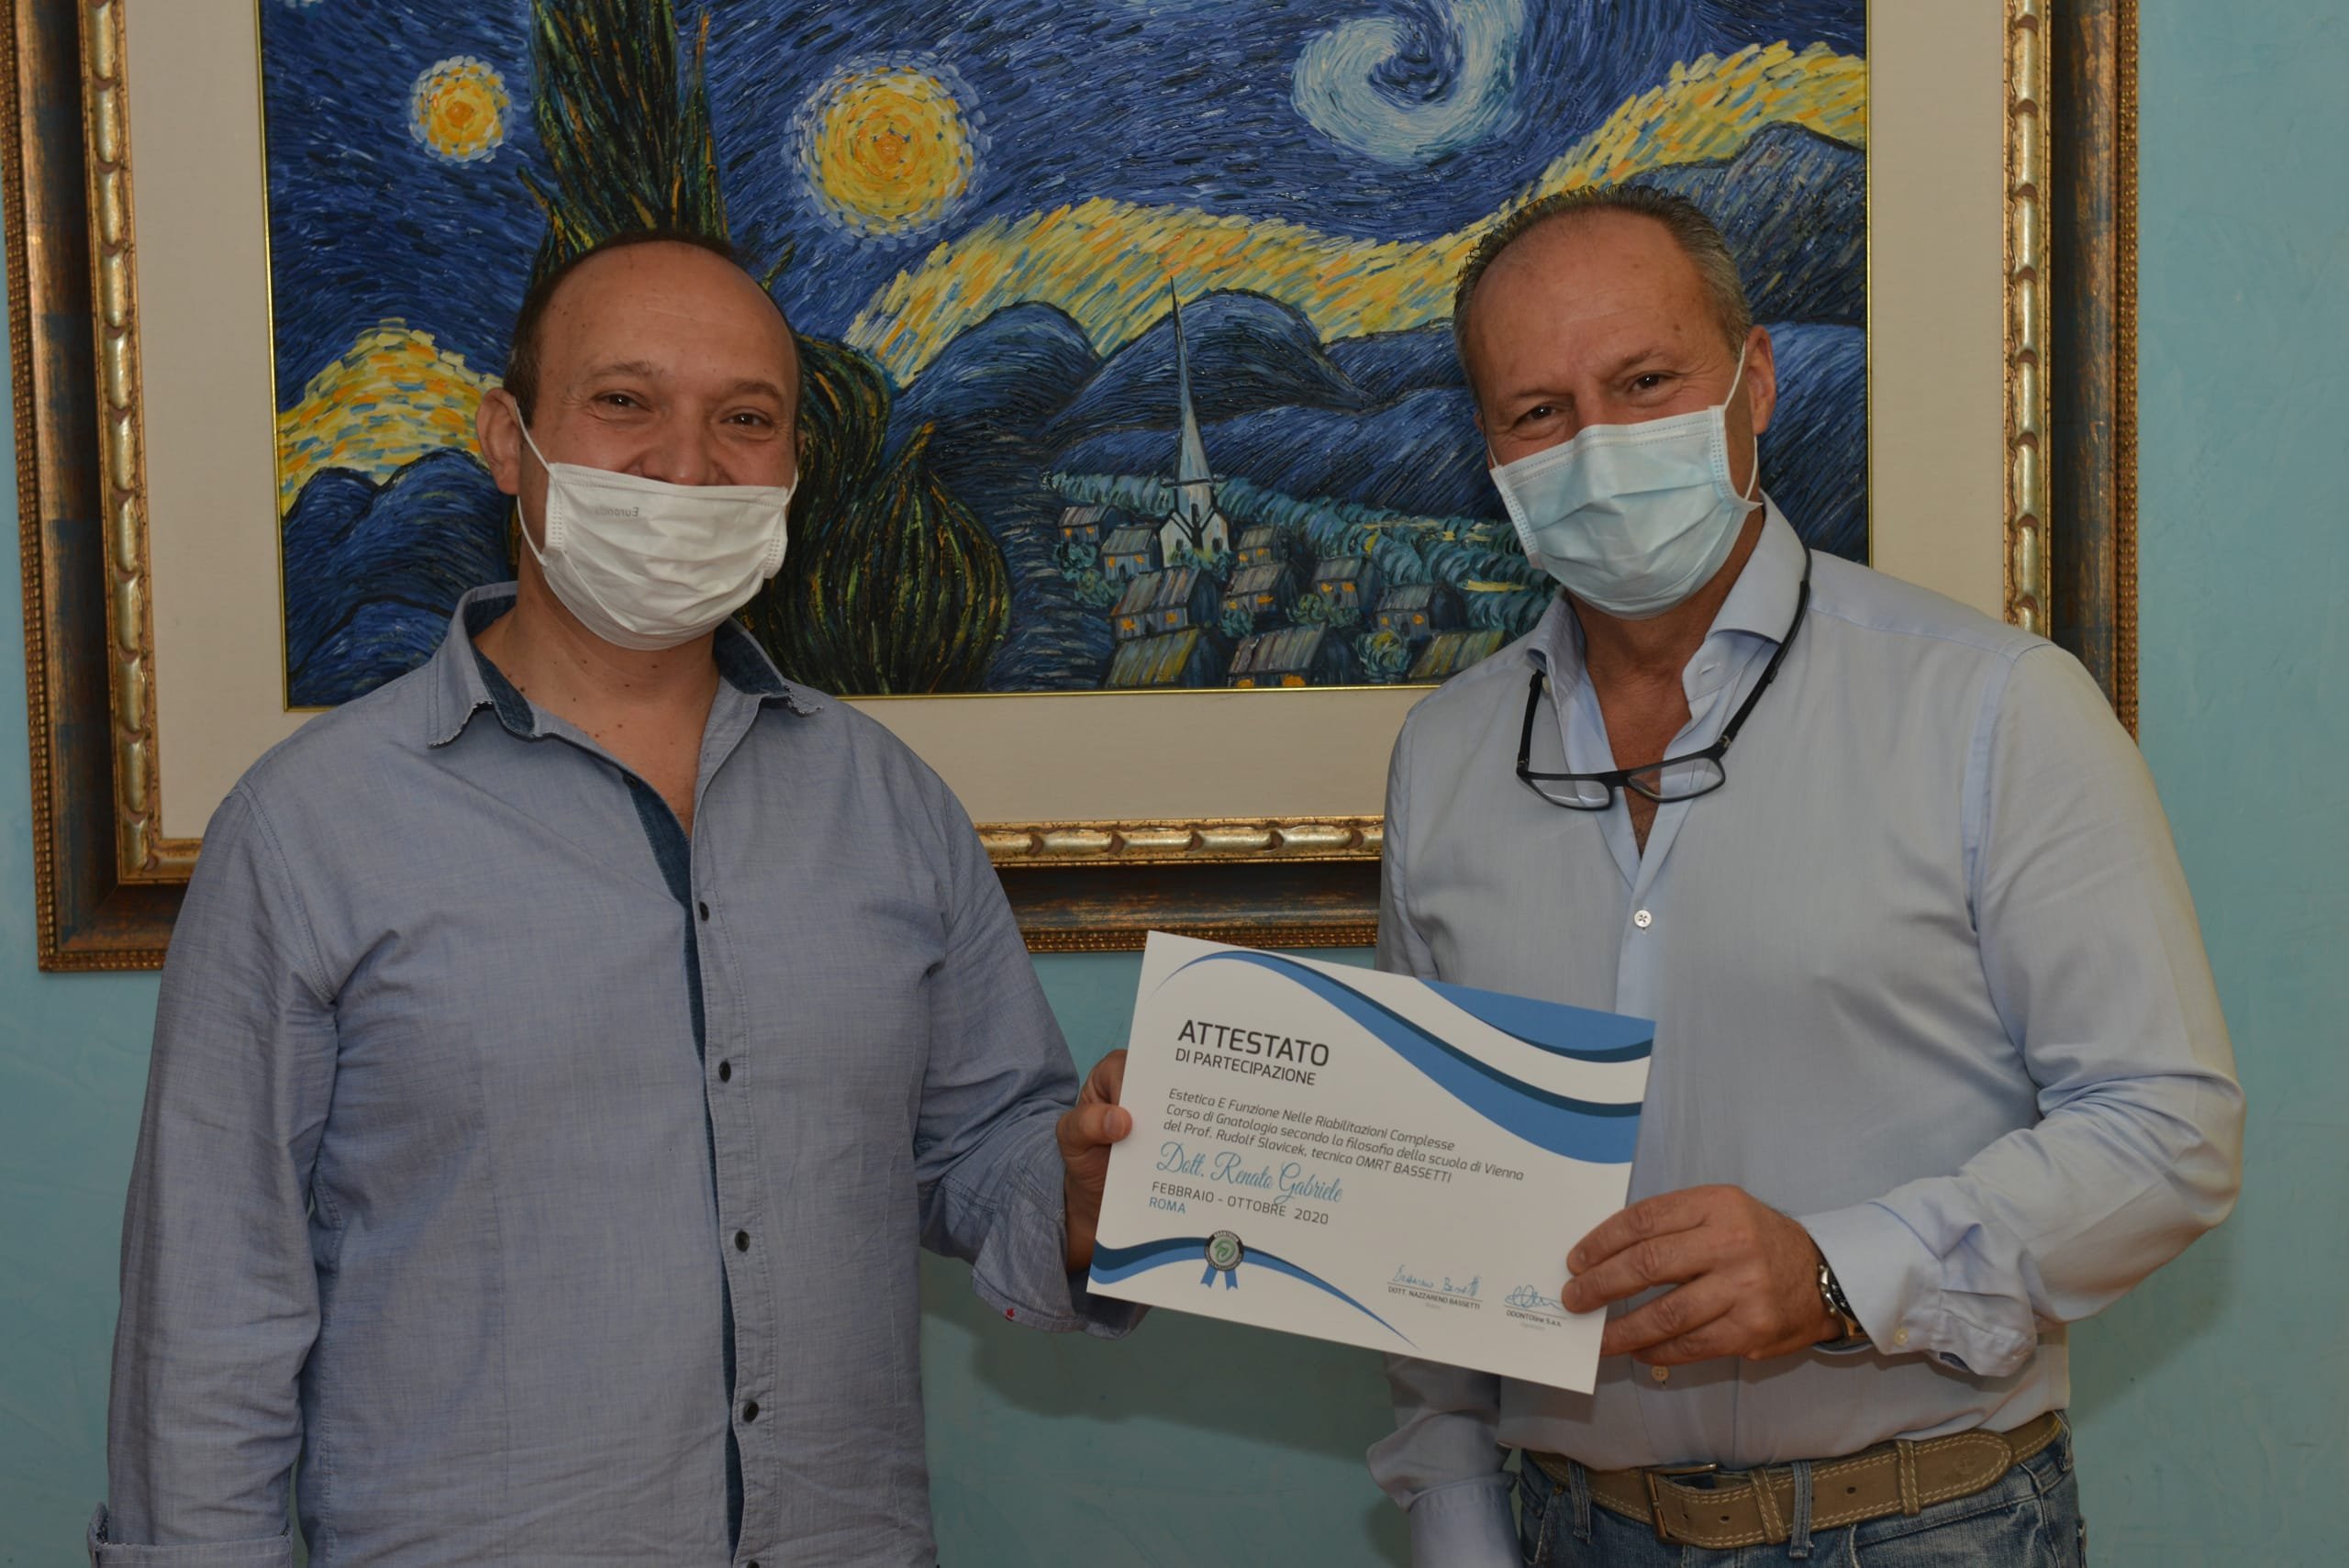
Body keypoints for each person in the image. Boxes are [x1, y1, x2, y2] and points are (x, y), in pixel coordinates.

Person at [92, 231, 1136, 1568]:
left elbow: (976, 1149)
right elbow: (209, 1314)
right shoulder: (310, 830)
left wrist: (1077, 1187)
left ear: (795, 465)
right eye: (624, 401)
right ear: (507, 438)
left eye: (745, 419)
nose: (685, 466)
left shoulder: (891, 806)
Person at [1367, 186, 2243, 1566]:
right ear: (1489, 448)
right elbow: (1431, 1196)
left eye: (1645, 382)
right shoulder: (1446, 758)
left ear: (1754, 381)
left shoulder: (1991, 706)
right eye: (1539, 411)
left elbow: (2168, 1129)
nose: (1598, 446)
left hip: (1924, 1526)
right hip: (1566, 1526)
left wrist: (1838, 1273)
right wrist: (1458, 1519)